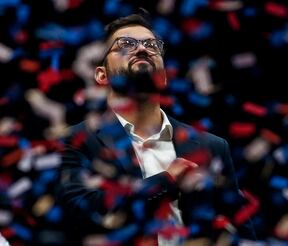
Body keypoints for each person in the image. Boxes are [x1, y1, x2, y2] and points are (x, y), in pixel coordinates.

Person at [57, 8, 256, 246]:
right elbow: (81, 212)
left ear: (164, 76)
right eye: (125, 44)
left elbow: (242, 230)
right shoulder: (76, 141)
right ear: (102, 75)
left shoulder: (211, 146)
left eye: (153, 45)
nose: (142, 49)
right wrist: (166, 181)